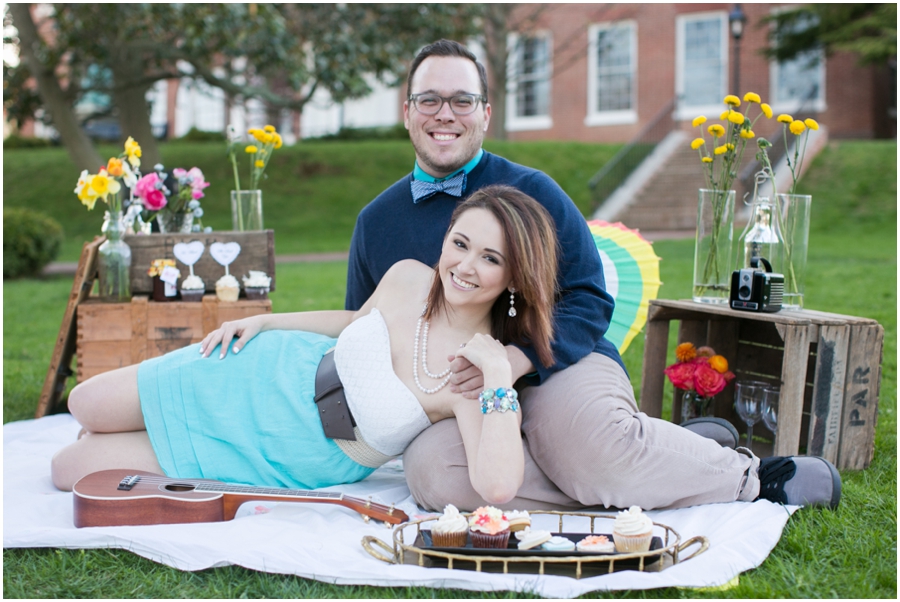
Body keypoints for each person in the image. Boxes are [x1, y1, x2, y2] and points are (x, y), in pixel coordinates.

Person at [346, 39, 841, 511]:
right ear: (407, 111)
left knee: (587, 448)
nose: (445, 114)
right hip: (458, 392)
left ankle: (748, 476)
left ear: (485, 113)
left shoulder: (532, 190)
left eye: (462, 100)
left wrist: (516, 361)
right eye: (429, 99)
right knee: (438, 475)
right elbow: (365, 333)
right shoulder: (375, 221)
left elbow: (588, 299)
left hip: (554, 362)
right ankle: (649, 457)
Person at [50, 186, 560, 502]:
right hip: (262, 370)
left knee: (68, 469)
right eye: (460, 243)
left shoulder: (474, 371)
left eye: (491, 258)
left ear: (516, 276)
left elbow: (497, 487)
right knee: (84, 401)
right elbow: (356, 320)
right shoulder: (408, 277)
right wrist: (267, 323)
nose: (465, 267)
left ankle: (131, 442)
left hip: (290, 449)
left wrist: (499, 376)